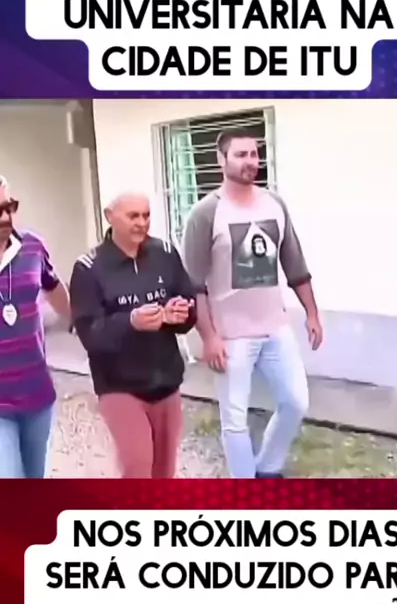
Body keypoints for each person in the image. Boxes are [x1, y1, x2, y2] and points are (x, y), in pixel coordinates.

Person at [182, 130, 323, 479]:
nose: (250, 162)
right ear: (222, 160)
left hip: (275, 327)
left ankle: (267, 469)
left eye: (254, 154)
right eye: (241, 155)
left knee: (295, 402)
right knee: (234, 418)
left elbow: (294, 263)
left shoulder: (274, 204)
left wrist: (312, 313)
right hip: (231, 335)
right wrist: (209, 337)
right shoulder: (206, 213)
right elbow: (193, 283)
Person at [69, 191, 197, 478]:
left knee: (164, 473)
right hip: (119, 384)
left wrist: (181, 313)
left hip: (166, 380)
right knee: (137, 467)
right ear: (110, 217)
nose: (141, 223)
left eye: (146, 215)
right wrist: (130, 322)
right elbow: (89, 333)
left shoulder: (165, 253)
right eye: (133, 216)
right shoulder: (89, 268)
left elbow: (189, 304)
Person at [0, 176, 70, 478]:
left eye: (9, 207)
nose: (5, 217)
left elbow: (53, 287)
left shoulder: (32, 246)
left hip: (37, 393)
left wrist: (83, 324)